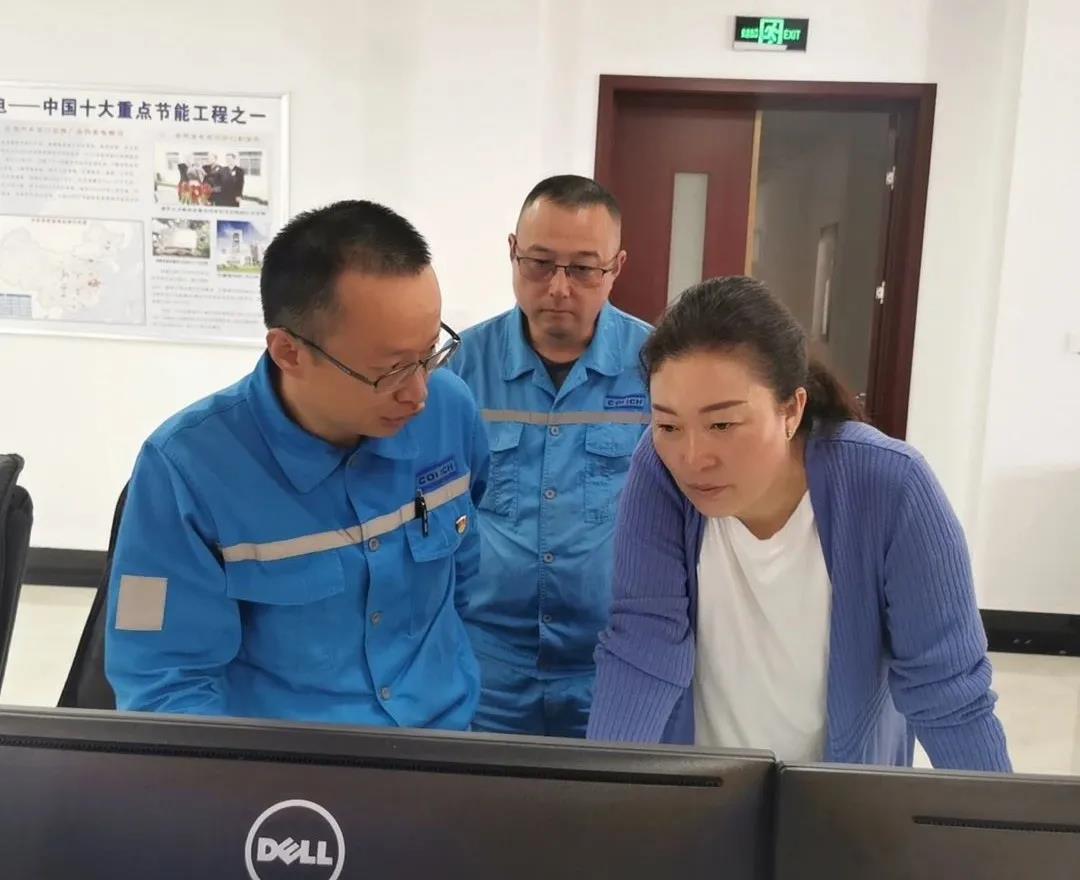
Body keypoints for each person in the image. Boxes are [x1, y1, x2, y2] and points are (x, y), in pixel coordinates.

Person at [587, 276, 1011, 772]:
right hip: (703, 795)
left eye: (722, 424)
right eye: (668, 425)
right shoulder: (658, 471)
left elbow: (948, 691)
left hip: (843, 798)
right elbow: (644, 641)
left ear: (791, 409)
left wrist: (993, 818)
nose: (692, 457)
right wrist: (606, 796)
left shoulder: (892, 486)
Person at [106, 200, 490, 730]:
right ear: (289, 352)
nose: (419, 393)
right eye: (391, 371)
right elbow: (165, 686)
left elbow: (463, 574)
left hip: (444, 738)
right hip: (288, 767)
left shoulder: (450, 412)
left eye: (430, 354)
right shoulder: (185, 472)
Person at [449, 175, 651, 737]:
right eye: (539, 263)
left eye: (584, 269)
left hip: (614, 662)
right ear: (512, 252)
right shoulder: (460, 369)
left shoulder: (657, 368)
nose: (559, 288)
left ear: (616, 268)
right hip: (487, 662)